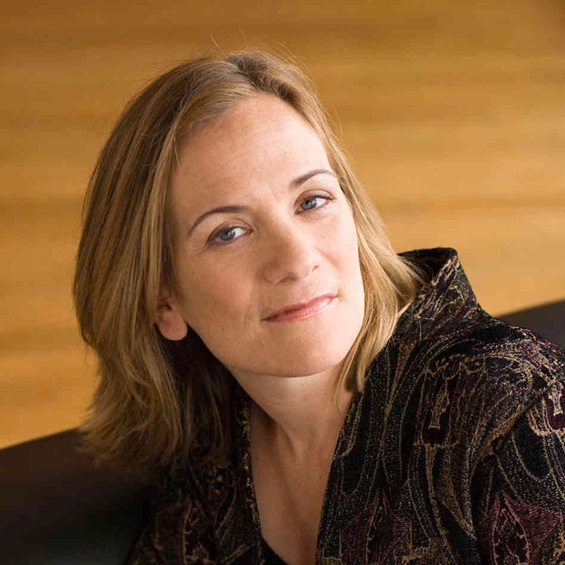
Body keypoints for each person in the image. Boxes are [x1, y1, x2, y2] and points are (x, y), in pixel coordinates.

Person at [73, 50, 565, 564]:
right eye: (230, 232)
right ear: (164, 302)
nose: (297, 259)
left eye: (311, 201)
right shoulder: (207, 453)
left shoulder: (514, 412)